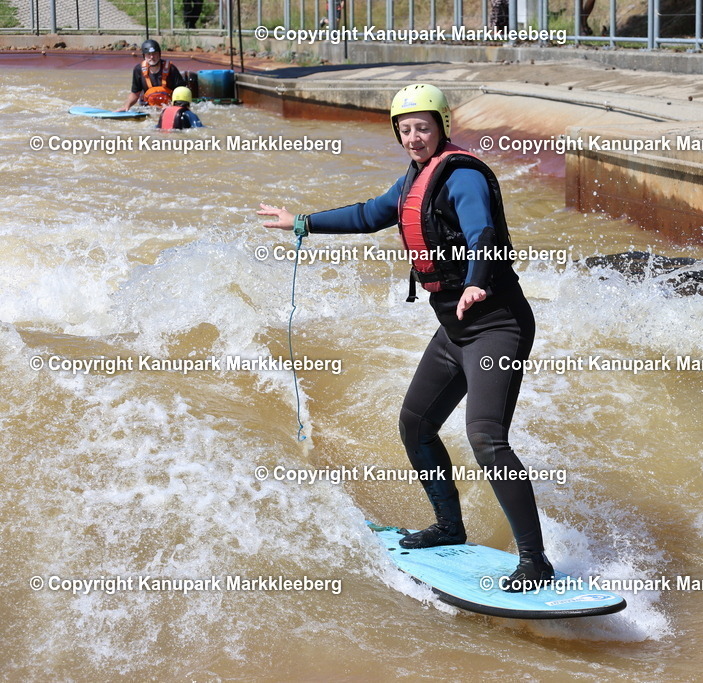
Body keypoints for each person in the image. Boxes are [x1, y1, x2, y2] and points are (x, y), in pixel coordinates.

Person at [257, 84, 555, 590]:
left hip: (496, 324)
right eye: (406, 130)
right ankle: (449, 526)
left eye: (423, 128)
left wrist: (477, 282)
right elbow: (368, 215)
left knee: (486, 437)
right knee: (416, 424)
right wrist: (301, 222)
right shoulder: (414, 179)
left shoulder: (462, 176)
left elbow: (482, 233)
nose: (414, 138)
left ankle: (535, 561)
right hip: (455, 329)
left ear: (442, 126)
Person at [116, 39, 185, 111]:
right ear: (144, 56)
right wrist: (127, 106)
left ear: (159, 54)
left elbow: (181, 92)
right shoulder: (138, 70)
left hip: (168, 107)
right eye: (148, 54)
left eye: (154, 53)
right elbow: (135, 93)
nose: (152, 57)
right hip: (149, 108)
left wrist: (172, 107)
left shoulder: (171, 69)